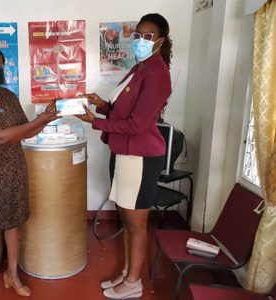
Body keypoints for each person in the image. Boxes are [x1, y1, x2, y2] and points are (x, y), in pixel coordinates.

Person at [77, 13, 173, 299]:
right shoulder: (140, 68)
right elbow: (123, 110)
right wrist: (101, 104)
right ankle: (127, 272)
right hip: (125, 153)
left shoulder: (157, 73)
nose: (141, 40)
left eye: (148, 36)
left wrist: (93, 121)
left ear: (160, 41)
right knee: (127, 218)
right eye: (138, 34)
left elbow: (137, 124)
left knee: (136, 222)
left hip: (141, 157)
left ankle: (133, 283)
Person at [0, 45, 59, 300]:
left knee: (15, 223)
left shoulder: (9, 96)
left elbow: (27, 130)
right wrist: (37, 122)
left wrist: (45, 119)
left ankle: (12, 274)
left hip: (15, 166)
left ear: (4, 66)